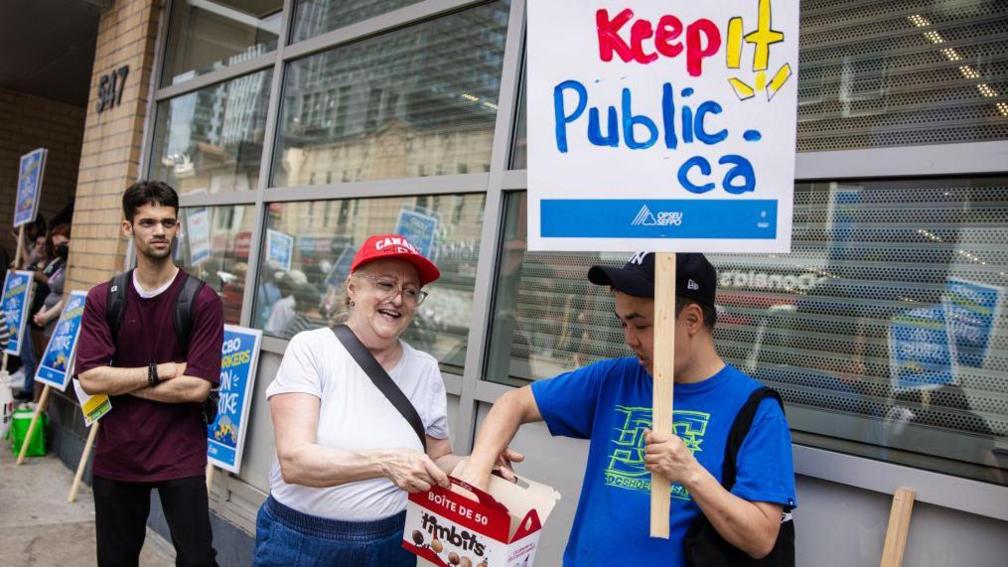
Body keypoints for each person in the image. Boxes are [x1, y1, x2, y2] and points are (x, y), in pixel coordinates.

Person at [458, 252, 797, 566]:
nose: (630, 339)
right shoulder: (614, 378)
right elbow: (514, 403)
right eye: (623, 324)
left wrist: (690, 474)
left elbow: (760, 538)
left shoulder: (756, 409)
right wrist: (479, 466)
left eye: (642, 325)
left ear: (692, 319)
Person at [254, 234, 518, 566]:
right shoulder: (312, 349)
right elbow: (295, 462)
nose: (398, 299)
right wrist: (384, 463)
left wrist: (478, 462)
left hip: (392, 545)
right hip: (302, 544)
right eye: (385, 284)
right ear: (352, 288)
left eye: (410, 291)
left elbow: (437, 459)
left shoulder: (425, 369)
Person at [76, 180, 223, 567]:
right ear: (128, 228)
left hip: (180, 454)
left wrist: (122, 382)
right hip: (118, 454)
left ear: (177, 227)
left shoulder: (201, 300)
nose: (159, 231)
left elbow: (196, 389)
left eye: (167, 222)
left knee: (197, 560)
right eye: (147, 222)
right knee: (116, 559)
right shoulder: (104, 298)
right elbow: (90, 378)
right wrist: (160, 371)